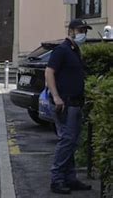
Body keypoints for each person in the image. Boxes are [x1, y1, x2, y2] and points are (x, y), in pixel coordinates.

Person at [45, 19, 93, 194]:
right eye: (81, 30)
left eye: (85, 31)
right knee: (67, 141)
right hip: (64, 103)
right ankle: (56, 179)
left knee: (71, 141)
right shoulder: (62, 50)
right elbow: (49, 72)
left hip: (75, 103)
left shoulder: (74, 50)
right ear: (71, 31)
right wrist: (56, 97)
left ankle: (70, 178)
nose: (83, 33)